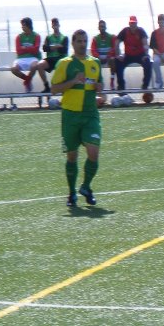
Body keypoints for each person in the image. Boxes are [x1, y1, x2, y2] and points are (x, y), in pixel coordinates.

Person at [51, 29, 104, 208]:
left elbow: (99, 86)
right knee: (72, 156)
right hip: (70, 115)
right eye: (79, 41)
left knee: (93, 153)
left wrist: (99, 91)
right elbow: (54, 89)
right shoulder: (64, 64)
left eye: (84, 41)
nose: (82, 44)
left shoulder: (95, 63)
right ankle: (72, 193)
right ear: (73, 43)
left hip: (90, 115)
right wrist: (73, 81)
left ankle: (86, 187)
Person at [115, 16, 152, 91]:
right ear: (129, 23)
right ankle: (121, 86)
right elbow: (117, 43)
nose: (133, 25)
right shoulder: (125, 31)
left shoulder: (141, 31)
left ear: (136, 23)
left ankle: (145, 85)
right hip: (128, 55)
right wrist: (118, 55)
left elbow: (145, 44)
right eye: (131, 23)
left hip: (140, 55)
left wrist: (146, 55)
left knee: (148, 62)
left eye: (134, 23)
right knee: (118, 62)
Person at [11, 17, 45, 93]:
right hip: (20, 58)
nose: (22, 27)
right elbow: (18, 51)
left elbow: (36, 50)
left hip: (33, 58)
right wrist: (30, 48)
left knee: (34, 66)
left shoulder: (36, 36)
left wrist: (24, 48)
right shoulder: (19, 37)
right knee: (13, 69)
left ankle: (27, 82)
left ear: (29, 26)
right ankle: (27, 80)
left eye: (24, 25)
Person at [37, 18, 69, 94]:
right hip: (51, 58)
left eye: (56, 24)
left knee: (65, 67)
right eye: (53, 24)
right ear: (52, 26)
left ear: (59, 25)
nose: (55, 26)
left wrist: (51, 48)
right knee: (40, 65)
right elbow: (45, 48)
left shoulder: (64, 37)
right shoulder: (48, 37)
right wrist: (57, 46)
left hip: (61, 58)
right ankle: (46, 86)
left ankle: (64, 87)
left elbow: (64, 50)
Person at [91, 20, 117, 91]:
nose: (102, 28)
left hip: (108, 58)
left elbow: (114, 48)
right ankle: (97, 83)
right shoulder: (95, 39)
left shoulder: (112, 37)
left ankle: (112, 82)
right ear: (98, 28)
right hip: (99, 59)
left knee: (113, 61)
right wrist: (98, 57)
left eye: (103, 26)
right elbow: (93, 50)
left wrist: (108, 56)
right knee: (94, 62)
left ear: (106, 27)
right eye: (100, 26)